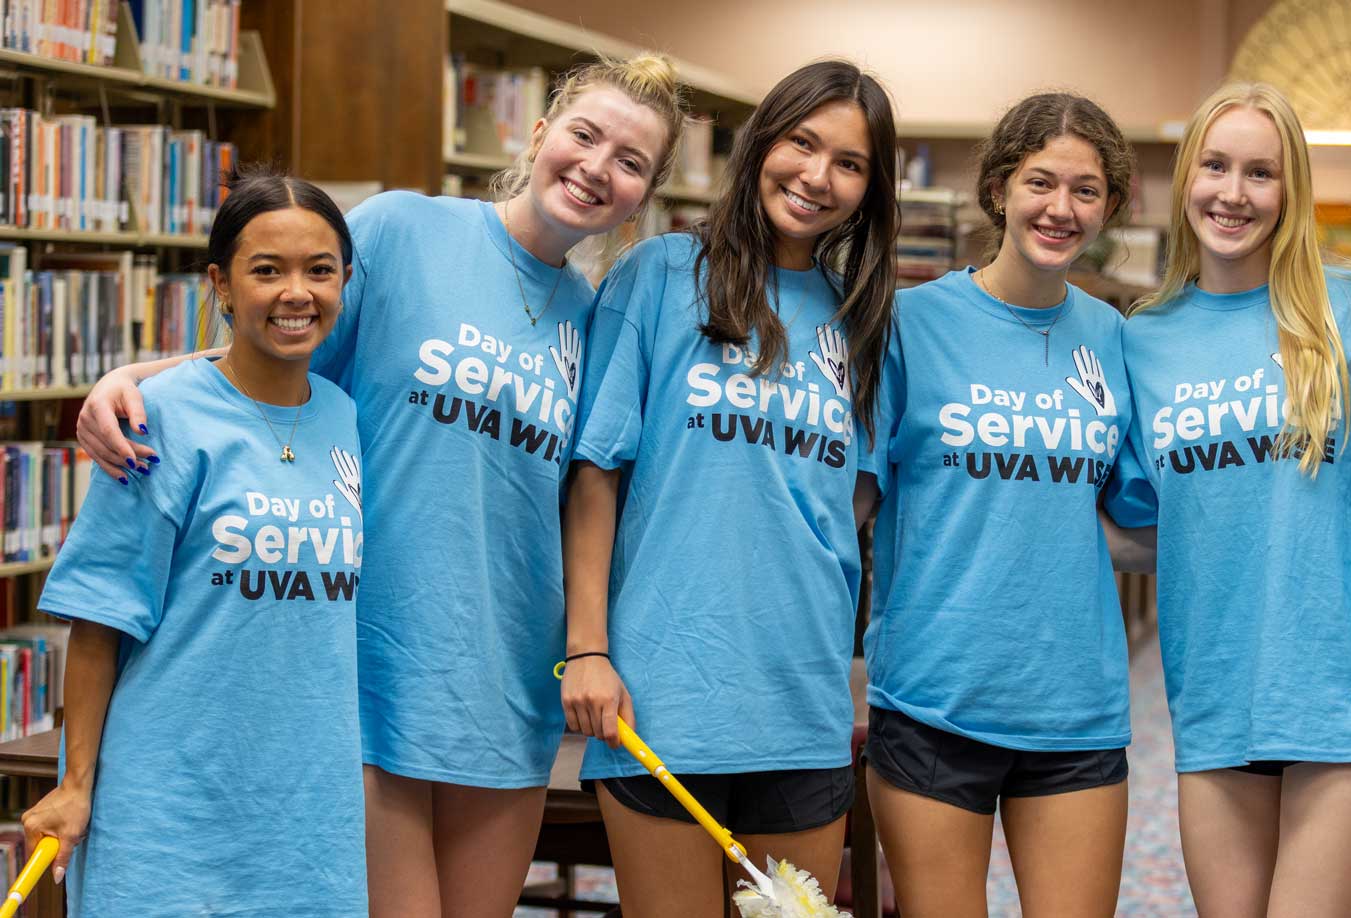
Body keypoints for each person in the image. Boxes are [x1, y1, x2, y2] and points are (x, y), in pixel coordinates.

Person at [72, 55, 687, 918]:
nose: (596, 167)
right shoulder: (404, 231)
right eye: (585, 135)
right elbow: (279, 343)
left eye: (630, 162)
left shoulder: (597, 320)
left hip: (505, 685)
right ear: (540, 133)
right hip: (370, 669)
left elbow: (589, 495)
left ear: (645, 195)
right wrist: (139, 375)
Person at [559, 59, 899, 918]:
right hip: (663, 696)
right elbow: (597, 473)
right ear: (762, 144)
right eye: (801, 142)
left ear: (870, 189)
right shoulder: (661, 275)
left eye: (849, 163)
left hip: (802, 701)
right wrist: (588, 647)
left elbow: (849, 504)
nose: (817, 176)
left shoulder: (861, 319)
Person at [20, 171, 365, 917]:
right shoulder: (159, 420)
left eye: (320, 270)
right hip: (169, 816)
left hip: (309, 817)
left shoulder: (346, 416)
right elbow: (100, 616)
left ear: (345, 281)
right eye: (266, 270)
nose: (296, 293)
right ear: (221, 284)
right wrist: (76, 783)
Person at [1107, 82, 1351, 916]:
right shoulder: (1144, 336)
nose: (1233, 194)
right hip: (1212, 699)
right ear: (1185, 178)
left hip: (1342, 695)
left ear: (1291, 192)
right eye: (1214, 166)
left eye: (1260, 174)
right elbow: (1138, 524)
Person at [862, 91, 1136, 918]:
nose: (1061, 209)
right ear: (998, 191)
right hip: (933, 696)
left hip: (1074, 704)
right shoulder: (910, 323)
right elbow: (852, 506)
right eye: (1040, 183)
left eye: (1086, 191)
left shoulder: (1115, 336)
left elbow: (1131, 522)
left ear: (1110, 207)